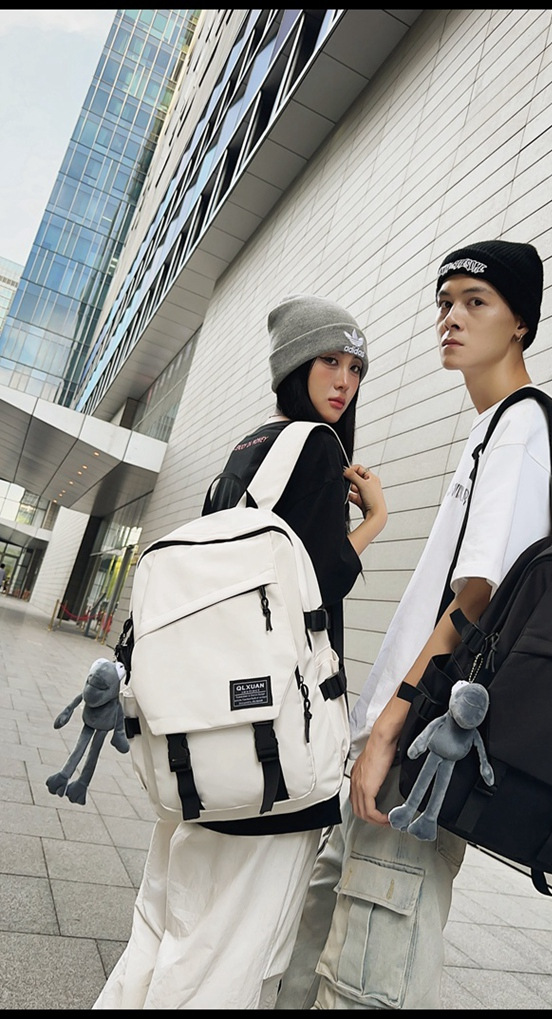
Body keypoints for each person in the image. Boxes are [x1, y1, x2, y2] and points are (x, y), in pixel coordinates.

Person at [275, 239, 552, 1010]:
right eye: (445, 302)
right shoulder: (491, 428)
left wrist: (387, 729)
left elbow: (479, 599)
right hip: (404, 741)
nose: (451, 318)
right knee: (314, 947)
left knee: (367, 973)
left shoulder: (523, 425)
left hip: (419, 749)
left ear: (520, 322)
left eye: (476, 301)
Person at [93, 293, 388, 1010]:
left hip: (204, 743)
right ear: (295, 365)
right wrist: (375, 519)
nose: (344, 380)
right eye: (329, 361)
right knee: (230, 956)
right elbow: (319, 582)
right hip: (274, 751)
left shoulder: (248, 452)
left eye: (355, 367)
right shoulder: (318, 447)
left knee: (166, 931)